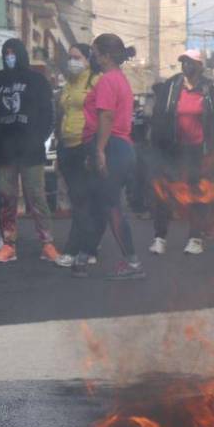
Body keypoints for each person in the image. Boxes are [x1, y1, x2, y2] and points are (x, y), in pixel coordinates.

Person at [0, 38, 58, 263]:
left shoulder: (37, 81)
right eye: (6, 52)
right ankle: (8, 244)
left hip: (31, 151)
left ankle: (47, 244)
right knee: (6, 199)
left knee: (36, 197)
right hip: (2, 152)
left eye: (13, 52)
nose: (9, 56)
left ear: (21, 54)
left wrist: (38, 139)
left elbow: (49, 114)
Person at [147, 48, 214, 256]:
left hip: (198, 152)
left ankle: (195, 238)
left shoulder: (210, 90)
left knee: (197, 194)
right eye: (183, 61)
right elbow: (159, 116)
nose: (186, 65)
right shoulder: (172, 86)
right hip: (172, 149)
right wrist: (156, 145)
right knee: (164, 193)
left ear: (200, 66)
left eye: (191, 62)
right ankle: (159, 238)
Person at [80, 33, 142, 279]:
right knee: (100, 205)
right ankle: (83, 256)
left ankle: (133, 263)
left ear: (105, 56)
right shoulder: (120, 79)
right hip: (119, 147)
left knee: (110, 205)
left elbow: (106, 117)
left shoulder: (107, 80)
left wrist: (99, 150)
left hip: (112, 146)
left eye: (95, 53)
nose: (92, 58)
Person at [53, 43, 98, 267]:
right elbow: (61, 111)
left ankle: (74, 249)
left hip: (85, 144)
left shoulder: (95, 82)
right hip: (66, 145)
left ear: (88, 59)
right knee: (78, 198)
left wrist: (96, 149)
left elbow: (102, 116)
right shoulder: (68, 84)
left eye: (77, 57)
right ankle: (89, 247)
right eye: (70, 57)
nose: (72, 61)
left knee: (82, 199)